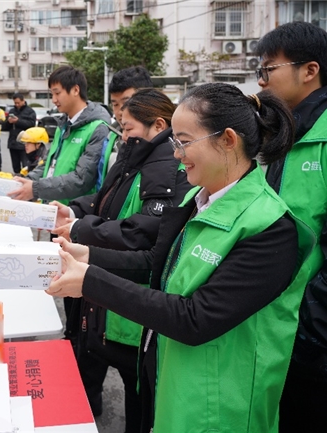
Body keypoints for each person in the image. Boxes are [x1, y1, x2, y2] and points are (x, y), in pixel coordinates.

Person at [48, 83, 312, 433]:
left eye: (184, 142)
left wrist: (90, 281)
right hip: (169, 384)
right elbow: (157, 265)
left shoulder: (271, 227)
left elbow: (195, 318)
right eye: (175, 142)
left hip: (218, 409)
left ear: (228, 139)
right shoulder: (198, 201)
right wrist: (90, 256)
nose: (176, 154)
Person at [50, 89, 192, 428]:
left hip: (129, 300)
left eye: (128, 128)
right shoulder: (136, 156)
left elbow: (143, 231)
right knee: (91, 365)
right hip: (105, 288)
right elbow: (104, 200)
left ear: (158, 124)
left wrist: (83, 229)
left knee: (137, 395)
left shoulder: (166, 166)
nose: (122, 135)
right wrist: (72, 211)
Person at [253, 22, 327, 432]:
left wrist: (309, 329)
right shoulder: (287, 131)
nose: (260, 82)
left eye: (268, 70)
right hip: (275, 325)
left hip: (307, 337)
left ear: (309, 70)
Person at [9, 65, 111, 204]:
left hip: (72, 215)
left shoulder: (97, 128)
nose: (53, 100)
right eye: (52, 94)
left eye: (57, 93)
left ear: (76, 90)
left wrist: (36, 188)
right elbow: (49, 164)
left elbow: (82, 180)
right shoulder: (63, 126)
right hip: (51, 209)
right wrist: (27, 181)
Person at [98, 66, 153, 188]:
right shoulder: (111, 136)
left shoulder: (156, 140)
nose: (120, 111)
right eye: (115, 104)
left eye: (127, 102)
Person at [1, 93, 36, 174]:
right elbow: (4, 127)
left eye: (18, 102)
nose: (17, 105)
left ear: (23, 101)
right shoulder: (12, 111)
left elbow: (31, 124)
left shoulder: (30, 111)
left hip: (25, 144)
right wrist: (9, 122)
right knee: (15, 167)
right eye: (15, 103)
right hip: (13, 143)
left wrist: (18, 121)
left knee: (26, 166)